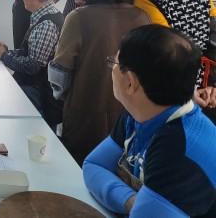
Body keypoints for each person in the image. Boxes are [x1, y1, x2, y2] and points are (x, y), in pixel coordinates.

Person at [83, 25, 216, 217]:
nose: (112, 69)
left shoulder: (179, 151)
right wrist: (131, 200)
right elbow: (93, 165)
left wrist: (142, 204)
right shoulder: (142, 113)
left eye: (115, 63)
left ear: (130, 82)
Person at [48, 0, 151, 165]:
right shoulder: (142, 17)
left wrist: (63, 98)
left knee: (82, 169)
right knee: (120, 171)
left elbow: (60, 75)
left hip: (85, 113)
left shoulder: (79, 17)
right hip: (130, 115)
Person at [0, 0, 64, 130]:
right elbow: (31, 53)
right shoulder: (44, 15)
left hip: (38, 93)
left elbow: (32, 66)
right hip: (35, 88)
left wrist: (3, 56)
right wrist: (8, 52)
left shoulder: (46, 24)